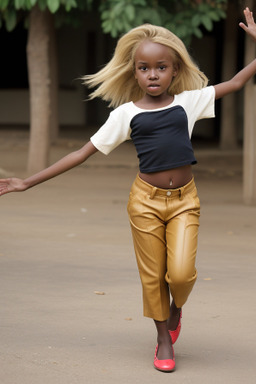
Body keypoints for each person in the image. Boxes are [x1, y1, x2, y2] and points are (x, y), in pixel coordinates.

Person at [0, 6, 255, 373]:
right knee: (153, 277)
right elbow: (80, 153)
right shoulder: (125, 115)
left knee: (181, 275)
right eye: (144, 68)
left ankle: (176, 308)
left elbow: (236, 83)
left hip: (185, 202)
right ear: (134, 73)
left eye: (161, 67)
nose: (153, 75)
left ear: (175, 70)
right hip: (144, 204)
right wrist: (26, 181)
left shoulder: (189, 102)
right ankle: (163, 338)